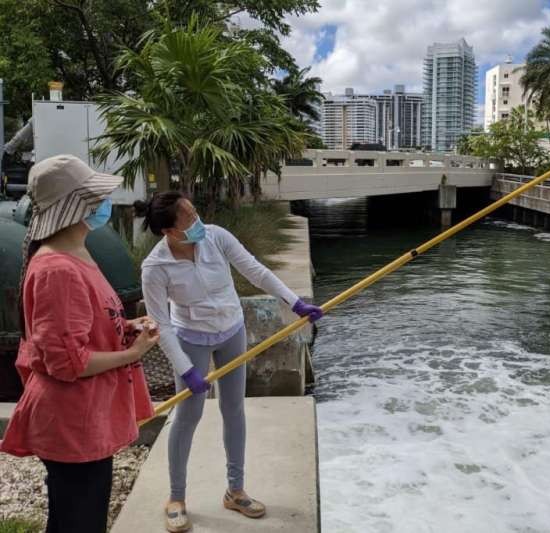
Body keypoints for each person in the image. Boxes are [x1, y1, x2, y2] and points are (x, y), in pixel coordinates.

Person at [134, 191, 322, 532]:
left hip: (231, 331)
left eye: (195, 212)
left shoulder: (216, 237)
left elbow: (256, 271)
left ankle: (235, 491)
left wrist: (295, 303)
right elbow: (160, 323)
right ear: (170, 232)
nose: (198, 222)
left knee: (233, 409)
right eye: (189, 219)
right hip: (190, 337)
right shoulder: (155, 268)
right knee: (188, 415)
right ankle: (176, 498)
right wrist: (187, 369)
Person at [0, 154, 159, 533]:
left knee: (83, 514)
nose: (103, 204)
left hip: (86, 419)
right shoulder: (58, 269)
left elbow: (81, 327)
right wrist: (132, 353)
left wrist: (125, 325)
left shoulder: (76, 253)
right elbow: (67, 362)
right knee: (78, 521)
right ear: (75, 206)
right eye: (95, 197)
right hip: (73, 422)